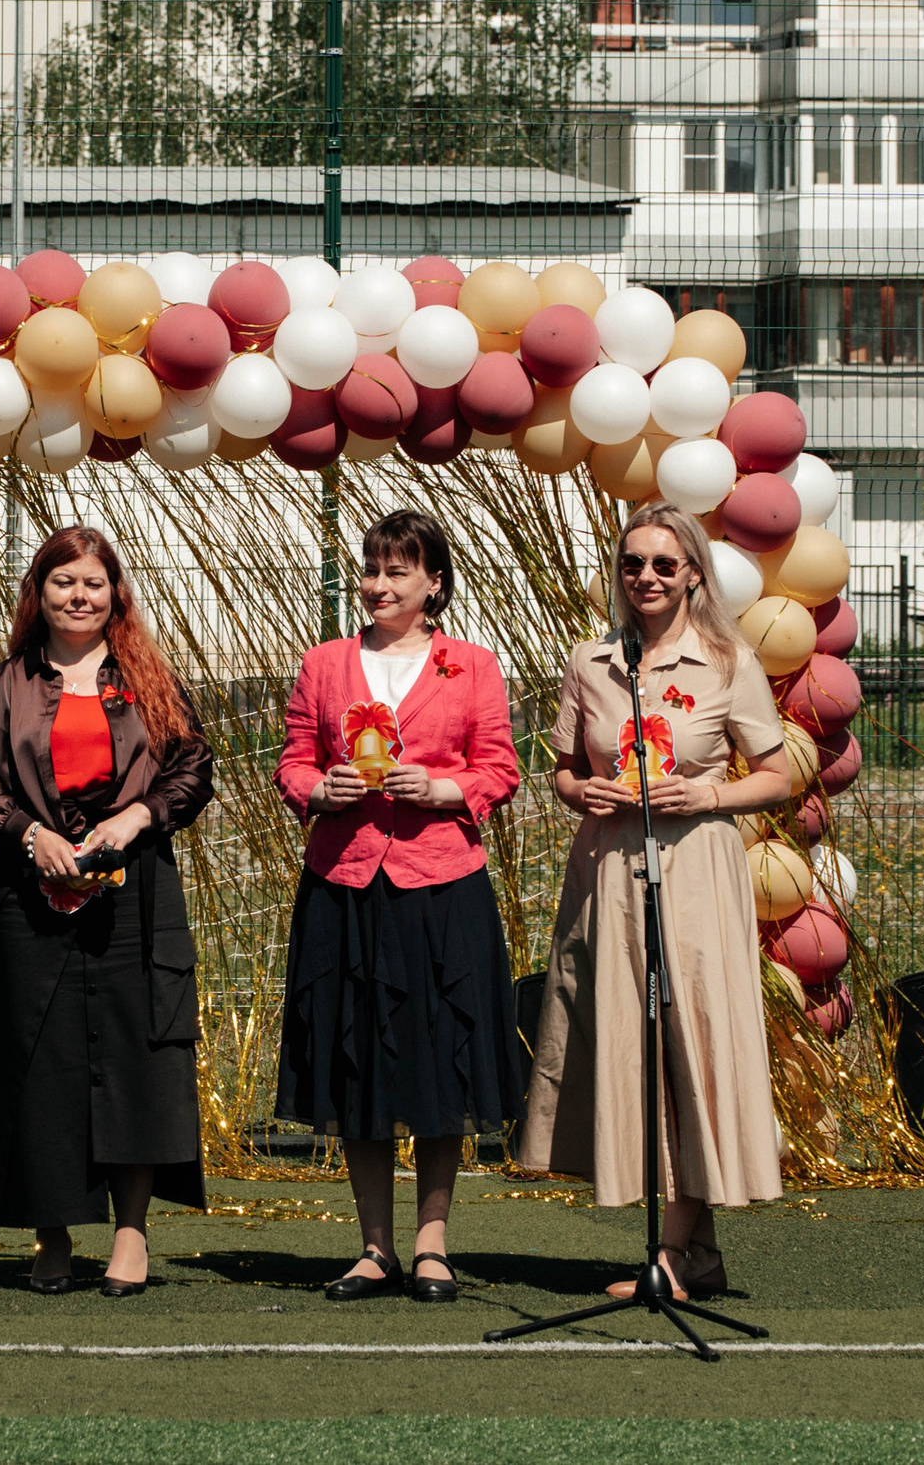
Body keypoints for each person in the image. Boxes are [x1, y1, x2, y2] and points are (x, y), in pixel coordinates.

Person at [519, 501, 794, 1300]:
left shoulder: (729, 662)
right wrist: (584, 791)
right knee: (632, 1046)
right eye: (633, 562)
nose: (646, 576)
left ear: (693, 575)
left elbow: (777, 775)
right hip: (610, 871)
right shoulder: (591, 661)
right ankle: (691, 1252)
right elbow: (563, 769)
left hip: (697, 872)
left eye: (663, 564)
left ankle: (674, 1254)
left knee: (690, 1042)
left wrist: (707, 795)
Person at [0, 526, 215, 1296]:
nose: (79, 595)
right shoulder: (1, 685)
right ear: (39, 593)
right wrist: (26, 833)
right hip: (30, 897)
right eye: (63, 581)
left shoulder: (149, 680)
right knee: (42, 1065)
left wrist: (139, 817)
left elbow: (193, 766)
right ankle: (54, 1235)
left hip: (135, 896)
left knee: (138, 1063)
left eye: (93, 582)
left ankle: (131, 1236)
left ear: (114, 594)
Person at [272, 509, 524, 1303]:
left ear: (434, 583)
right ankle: (374, 1248)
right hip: (345, 885)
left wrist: (443, 789)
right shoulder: (324, 663)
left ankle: (432, 1245)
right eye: (371, 569)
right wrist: (320, 790)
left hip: (441, 885)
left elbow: (500, 769)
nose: (378, 585)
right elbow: (292, 762)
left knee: (442, 1061)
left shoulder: (473, 666)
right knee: (359, 1064)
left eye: (397, 571)